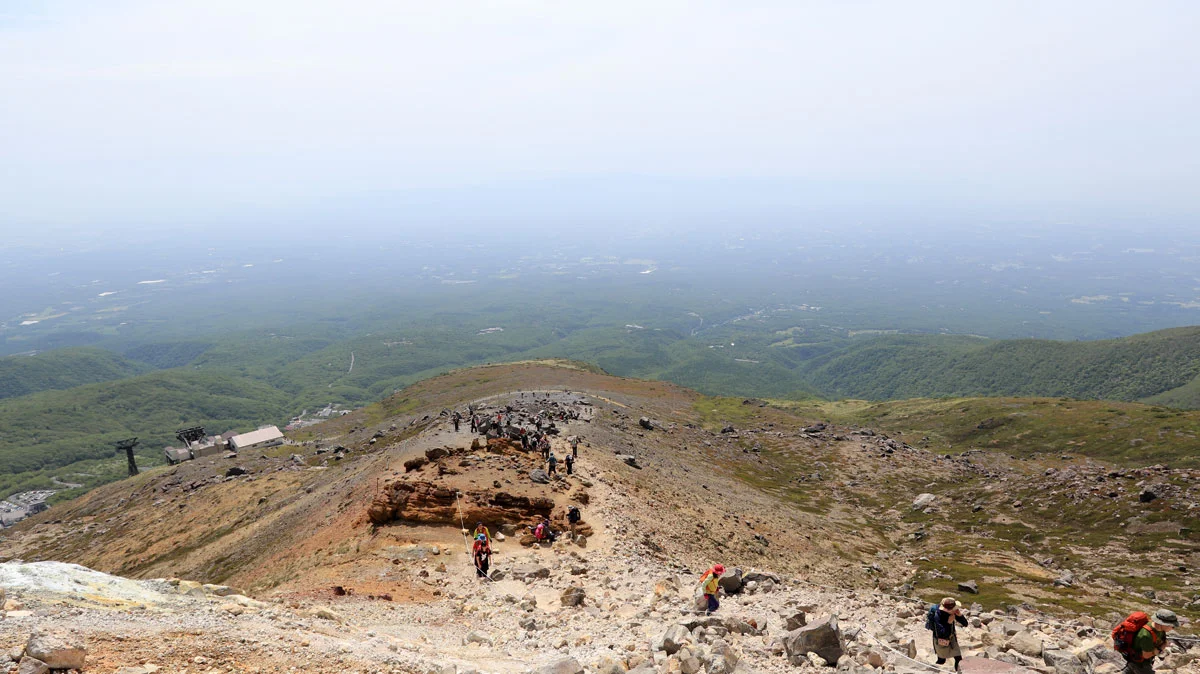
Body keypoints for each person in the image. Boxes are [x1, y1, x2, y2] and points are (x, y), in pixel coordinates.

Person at [1118, 609, 1178, 674]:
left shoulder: (1160, 629)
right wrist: (1160, 648)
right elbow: (1146, 655)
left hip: (1137, 661)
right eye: (1172, 626)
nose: (1173, 628)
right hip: (1140, 663)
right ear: (1163, 624)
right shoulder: (1146, 635)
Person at [927, 597, 968, 672]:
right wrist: (949, 623)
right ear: (947, 609)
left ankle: (959, 672)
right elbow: (941, 634)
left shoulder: (953, 612)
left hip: (952, 639)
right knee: (941, 660)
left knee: (958, 658)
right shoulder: (938, 616)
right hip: (941, 641)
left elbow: (965, 624)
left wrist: (960, 615)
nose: (955, 610)